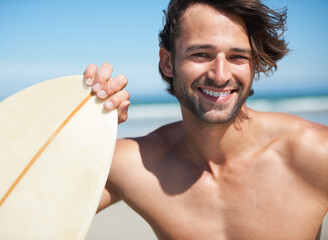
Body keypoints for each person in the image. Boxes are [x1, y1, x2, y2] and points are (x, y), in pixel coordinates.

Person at [85, 0, 328, 239]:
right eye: (201, 54)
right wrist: (85, 126)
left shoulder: (316, 153)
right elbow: (49, 209)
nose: (220, 76)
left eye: (237, 57)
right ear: (168, 62)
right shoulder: (136, 164)